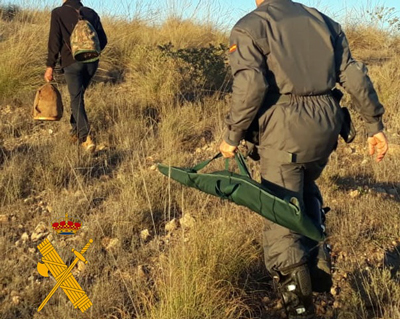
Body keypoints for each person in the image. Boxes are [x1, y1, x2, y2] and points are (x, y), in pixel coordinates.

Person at [219, 0, 388, 317]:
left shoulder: (250, 26)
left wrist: (232, 135)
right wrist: (374, 125)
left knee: (280, 212)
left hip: (286, 129)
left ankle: (299, 307)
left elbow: (251, 84)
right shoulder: (322, 20)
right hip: (326, 125)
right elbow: (353, 74)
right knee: (306, 185)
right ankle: (316, 263)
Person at [44, 0, 107, 153]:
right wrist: (91, 52)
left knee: (76, 98)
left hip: (71, 62)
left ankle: (86, 137)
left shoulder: (58, 12)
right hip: (92, 62)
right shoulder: (91, 12)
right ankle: (75, 132)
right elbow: (103, 40)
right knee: (78, 96)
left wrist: (50, 66)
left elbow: (54, 41)